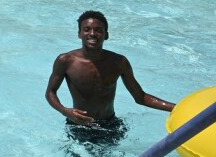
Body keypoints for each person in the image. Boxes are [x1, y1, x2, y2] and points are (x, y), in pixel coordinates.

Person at [45, 11, 175, 145]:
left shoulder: (119, 62)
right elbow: (50, 92)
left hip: (110, 124)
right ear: (79, 34)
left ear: (106, 35)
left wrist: (177, 108)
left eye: (98, 30)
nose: (92, 34)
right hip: (78, 124)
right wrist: (65, 111)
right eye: (86, 29)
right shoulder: (66, 61)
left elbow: (140, 97)